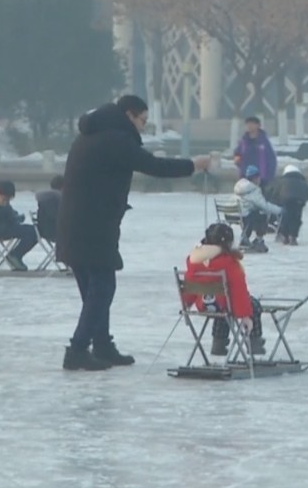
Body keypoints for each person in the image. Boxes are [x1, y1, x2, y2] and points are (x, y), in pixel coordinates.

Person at [57, 95, 212, 371]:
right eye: (142, 120)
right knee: (103, 287)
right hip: (94, 225)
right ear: (129, 115)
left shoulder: (90, 134)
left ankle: (102, 345)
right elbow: (154, 166)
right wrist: (193, 165)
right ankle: (78, 349)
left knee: (92, 288)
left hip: (74, 223)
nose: (143, 127)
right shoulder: (115, 139)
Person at [183, 222, 264, 356]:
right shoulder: (229, 263)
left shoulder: (195, 260)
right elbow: (239, 291)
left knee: (223, 308)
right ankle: (254, 342)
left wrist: (187, 303)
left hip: (204, 304)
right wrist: (245, 316)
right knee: (253, 304)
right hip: (224, 303)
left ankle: (218, 343)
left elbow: (190, 283)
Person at [233, 165, 283, 252]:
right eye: (259, 177)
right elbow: (264, 206)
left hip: (231, 213)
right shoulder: (254, 190)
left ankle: (245, 238)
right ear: (255, 178)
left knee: (254, 213)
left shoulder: (240, 186)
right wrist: (280, 210)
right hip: (244, 215)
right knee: (263, 215)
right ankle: (258, 240)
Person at [267, 164, 308, 245]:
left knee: (286, 219)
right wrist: (303, 201)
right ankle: (293, 237)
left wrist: (277, 202)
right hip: (299, 202)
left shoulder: (281, 181)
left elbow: (274, 193)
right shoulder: (303, 181)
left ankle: (285, 236)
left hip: (286, 201)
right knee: (296, 219)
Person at [232, 116, 277, 185]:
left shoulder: (264, 141)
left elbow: (271, 159)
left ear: (258, 125)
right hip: (245, 176)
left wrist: (270, 176)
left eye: (252, 124)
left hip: (261, 177)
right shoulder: (243, 141)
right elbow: (237, 154)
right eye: (248, 124)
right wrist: (237, 160)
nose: (249, 126)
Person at [35, 175, 63, 245]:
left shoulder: (49, 198)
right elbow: (57, 216)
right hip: (52, 231)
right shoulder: (52, 200)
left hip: (48, 229)